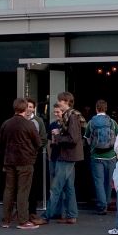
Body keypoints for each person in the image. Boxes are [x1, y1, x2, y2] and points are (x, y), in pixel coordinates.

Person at [0, 97, 41, 229]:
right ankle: (23, 220)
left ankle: (6, 220)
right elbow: (38, 143)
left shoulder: (6, 124)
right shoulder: (29, 124)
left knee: (9, 189)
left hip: (9, 160)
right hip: (25, 161)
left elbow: (1, 143)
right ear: (25, 108)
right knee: (23, 190)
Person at [46, 92, 84, 225]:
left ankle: (46, 215)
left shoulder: (71, 116)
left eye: (60, 101)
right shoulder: (72, 115)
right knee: (68, 187)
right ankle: (72, 215)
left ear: (66, 101)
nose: (58, 103)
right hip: (68, 155)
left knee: (56, 187)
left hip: (67, 156)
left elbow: (73, 138)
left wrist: (58, 136)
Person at [86, 99, 117, 214]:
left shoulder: (91, 122)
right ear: (106, 109)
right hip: (111, 156)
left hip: (96, 157)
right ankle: (107, 202)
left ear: (96, 109)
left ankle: (101, 206)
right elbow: (117, 138)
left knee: (98, 181)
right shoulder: (112, 122)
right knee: (109, 182)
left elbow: (88, 139)